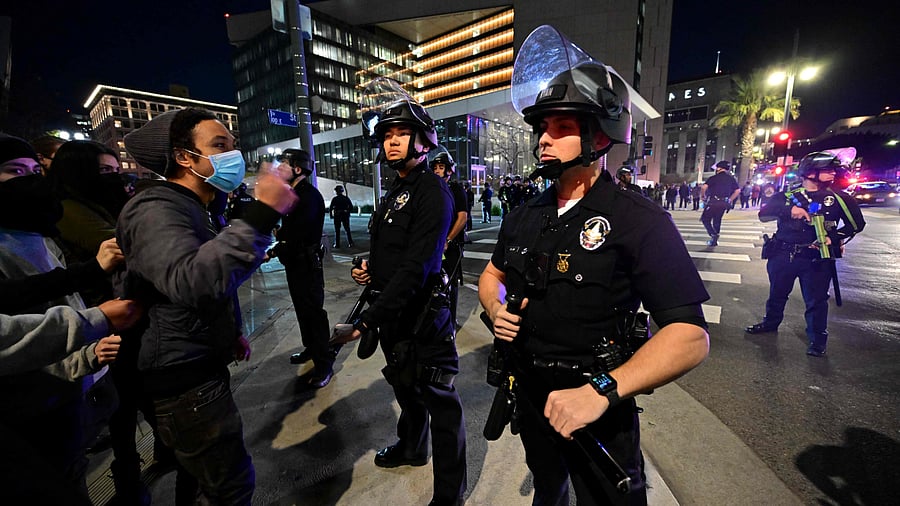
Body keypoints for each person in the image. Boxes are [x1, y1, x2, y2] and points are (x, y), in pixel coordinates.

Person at [477, 25, 710, 505]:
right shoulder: (525, 213)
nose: (544, 138)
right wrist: (495, 309)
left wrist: (601, 391)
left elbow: (690, 336)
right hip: (532, 391)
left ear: (600, 134)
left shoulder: (636, 219)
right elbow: (491, 275)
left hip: (599, 405)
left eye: (560, 127)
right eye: (541, 127)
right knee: (548, 488)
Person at [116, 107, 298, 504]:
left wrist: (229, 331)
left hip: (199, 364)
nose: (233, 155)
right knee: (229, 487)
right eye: (219, 146)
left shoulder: (198, 209)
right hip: (182, 379)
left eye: (233, 146)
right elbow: (192, 281)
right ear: (184, 157)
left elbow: (213, 280)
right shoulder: (157, 208)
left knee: (200, 482)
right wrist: (262, 213)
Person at [332, 77, 467, 506]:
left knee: (441, 405)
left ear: (422, 140)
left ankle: (449, 492)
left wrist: (366, 320)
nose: (392, 143)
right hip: (395, 315)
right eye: (387, 135)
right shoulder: (397, 191)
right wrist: (370, 271)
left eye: (401, 134)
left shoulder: (433, 192)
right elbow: (394, 254)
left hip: (424, 317)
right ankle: (412, 446)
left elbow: (419, 266)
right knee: (405, 389)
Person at [0, 134, 125, 502]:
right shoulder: (62, 216)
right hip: (30, 404)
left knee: (74, 471)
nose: (29, 179)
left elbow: (58, 293)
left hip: (78, 378)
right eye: (14, 171)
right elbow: (16, 326)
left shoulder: (37, 229)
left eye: (34, 170)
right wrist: (94, 321)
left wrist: (86, 352)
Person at [745, 150, 865, 357]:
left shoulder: (839, 198)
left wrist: (834, 238)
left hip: (816, 258)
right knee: (777, 294)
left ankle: (818, 339)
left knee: (816, 300)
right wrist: (788, 211)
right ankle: (770, 323)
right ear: (810, 173)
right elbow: (763, 215)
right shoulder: (787, 196)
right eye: (826, 170)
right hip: (783, 254)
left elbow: (856, 224)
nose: (832, 174)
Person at [268, 148, 335, 388]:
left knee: (313, 314)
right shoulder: (294, 193)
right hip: (295, 262)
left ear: (297, 169)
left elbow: (296, 234)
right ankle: (311, 349)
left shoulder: (308, 196)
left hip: (306, 263)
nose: (280, 168)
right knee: (302, 310)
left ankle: (324, 363)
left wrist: (277, 246)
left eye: (284, 163)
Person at [431, 151, 468, 330]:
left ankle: (450, 323)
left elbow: (462, 218)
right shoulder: (432, 190)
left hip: (451, 246)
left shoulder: (455, 189)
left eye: (441, 167)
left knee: (449, 285)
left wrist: (448, 239)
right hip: (434, 245)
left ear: (449, 170)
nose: (438, 171)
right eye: (435, 168)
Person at [700, 160, 740, 245]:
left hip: (713, 202)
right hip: (724, 203)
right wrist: (730, 199)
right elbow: (737, 190)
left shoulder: (714, 178)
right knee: (717, 220)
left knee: (705, 219)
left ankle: (713, 234)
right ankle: (714, 241)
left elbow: (704, 187)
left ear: (719, 168)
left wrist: (703, 196)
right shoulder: (731, 179)